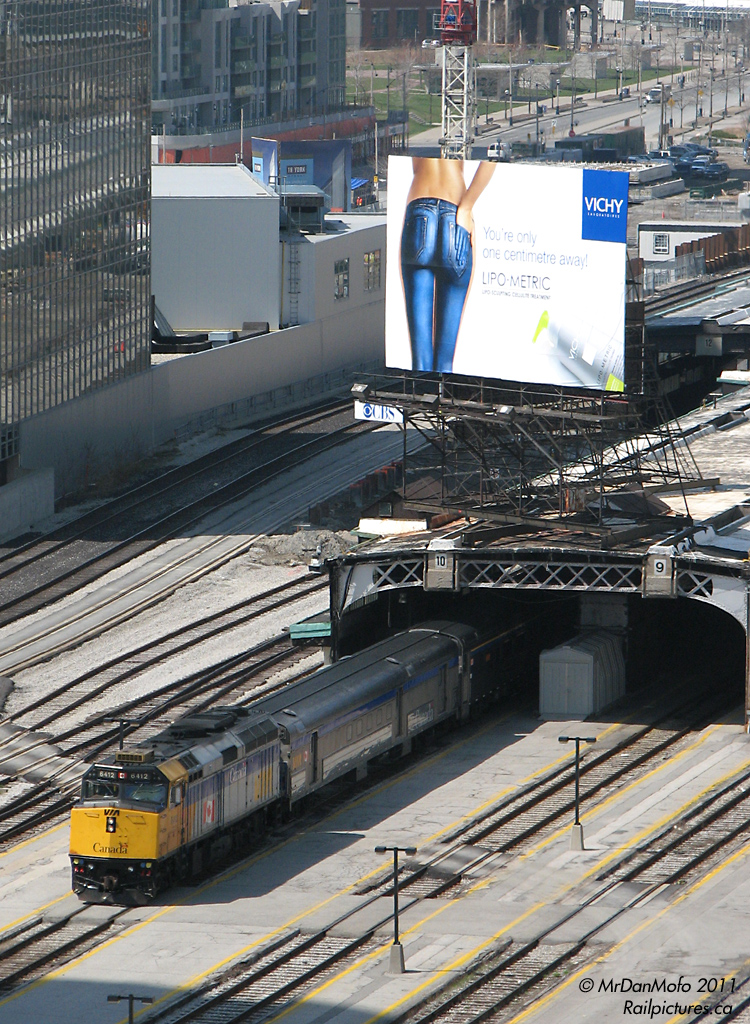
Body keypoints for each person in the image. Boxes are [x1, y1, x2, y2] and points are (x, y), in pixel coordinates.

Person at [399, 157, 495, 373]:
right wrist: (467, 207)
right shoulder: (460, 128)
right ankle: (442, 405)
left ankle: (419, 404)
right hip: (456, 214)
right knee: (445, 361)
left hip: (418, 207)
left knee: (420, 361)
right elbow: (493, 158)